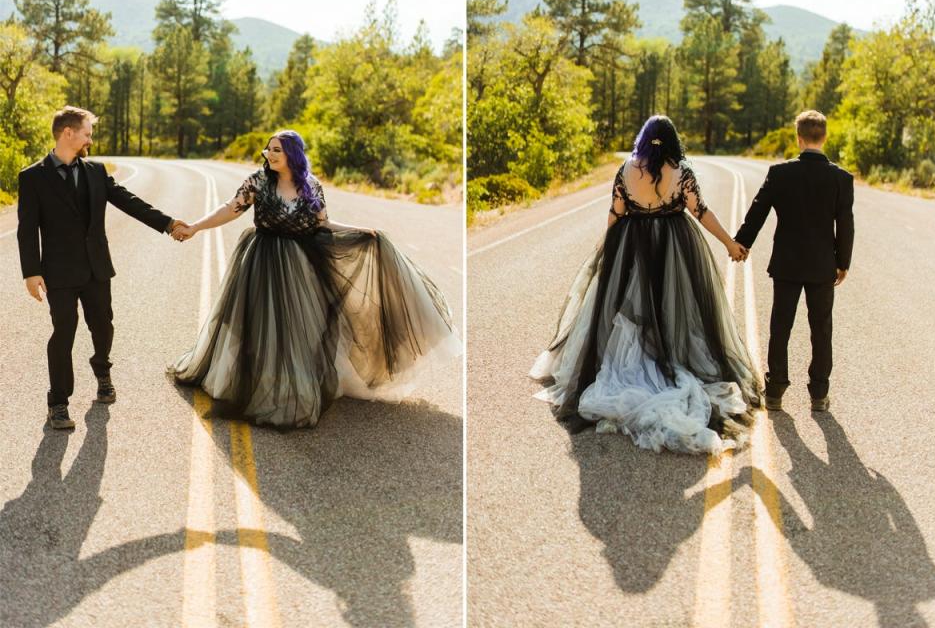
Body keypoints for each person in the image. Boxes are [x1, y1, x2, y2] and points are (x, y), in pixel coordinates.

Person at [168, 130, 461, 428]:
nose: (270, 155)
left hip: (300, 262)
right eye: (268, 150)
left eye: (277, 151)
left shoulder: (311, 186)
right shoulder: (258, 181)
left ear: (292, 155)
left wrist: (363, 232)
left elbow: (325, 224)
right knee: (262, 324)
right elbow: (230, 209)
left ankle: (293, 386)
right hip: (261, 259)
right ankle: (256, 382)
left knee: (298, 328)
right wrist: (196, 227)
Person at [530, 115, 762, 455]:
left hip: (632, 243)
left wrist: (607, 248)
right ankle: (669, 356)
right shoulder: (681, 170)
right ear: (671, 140)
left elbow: (617, 211)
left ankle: (638, 360)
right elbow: (701, 212)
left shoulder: (626, 168)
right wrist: (729, 243)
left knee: (630, 307)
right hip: (673, 244)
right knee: (675, 308)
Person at [17, 106, 186, 430]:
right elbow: (27, 228)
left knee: (103, 327)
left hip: (97, 268)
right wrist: (31, 271)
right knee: (63, 333)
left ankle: (102, 372)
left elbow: (128, 200)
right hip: (59, 272)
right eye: (87, 133)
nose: (90, 140)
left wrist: (167, 224)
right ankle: (58, 402)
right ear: (68, 133)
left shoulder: (96, 172)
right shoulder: (32, 177)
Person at [734, 110, 854, 412]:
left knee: (781, 326)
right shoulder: (841, 178)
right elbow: (846, 223)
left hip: (787, 263)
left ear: (798, 138)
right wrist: (843, 262)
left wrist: (742, 244)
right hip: (822, 264)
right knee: (821, 328)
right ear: (824, 137)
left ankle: (775, 391)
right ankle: (818, 394)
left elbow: (757, 212)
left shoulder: (780, 173)